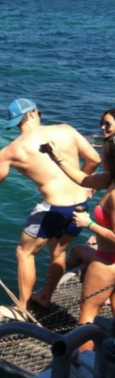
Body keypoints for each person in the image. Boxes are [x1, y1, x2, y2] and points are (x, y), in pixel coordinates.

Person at [0, 98, 100, 321]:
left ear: (17, 121)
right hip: (80, 205)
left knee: (24, 253)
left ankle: (22, 309)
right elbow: (94, 159)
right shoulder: (66, 130)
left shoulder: (11, 151)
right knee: (58, 252)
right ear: (33, 113)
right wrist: (84, 183)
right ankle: (45, 297)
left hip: (54, 208)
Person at [45, 109, 115, 349]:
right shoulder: (109, 180)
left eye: (104, 152)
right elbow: (82, 179)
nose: (100, 156)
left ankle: (82, 365)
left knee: (88, 315)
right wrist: (57, 158)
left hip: (108, 262)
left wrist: (89, 224)